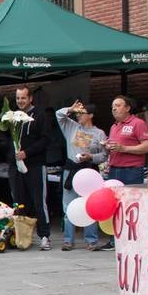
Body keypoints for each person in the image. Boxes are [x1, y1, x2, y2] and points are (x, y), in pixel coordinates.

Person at [3, 86, 57, 250]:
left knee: (39, 201)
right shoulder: (11, 116)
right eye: (18, 98)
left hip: (35, 165)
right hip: (16, 166)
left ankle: (44, 236)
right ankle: (21, 236)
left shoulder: (40, 115)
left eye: (23, 98)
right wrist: (11, 155)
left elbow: (45, 140)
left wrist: (27, 152)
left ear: (30, 98)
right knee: (18, 202)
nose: (20, 101)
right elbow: (5, 138)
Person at [56, 101, 108, 251]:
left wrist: (91, 157)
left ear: (90, 115)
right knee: (68, 206)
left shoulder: (99, 133)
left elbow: (104, 155)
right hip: (71, 168)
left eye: (82, 113)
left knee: (89, 206)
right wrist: (71, 109)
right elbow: (58, 114)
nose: (78, 116)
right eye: (77, 113)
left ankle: (91, 240)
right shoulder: (71, 126)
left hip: (88, 171)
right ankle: (68, 240)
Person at [106, 94, 148, 185]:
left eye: (118, 106)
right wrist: (107, 147)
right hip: (113, 169)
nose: (114, 109)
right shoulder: (113, 126)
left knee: (131, 198)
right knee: (114, 198)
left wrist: (123, 148)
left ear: (127, 108)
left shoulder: (138, 123)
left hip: (131, 170)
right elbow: (115, 148)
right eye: (112, 106)